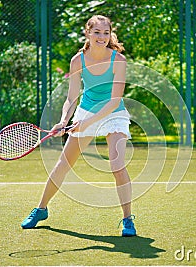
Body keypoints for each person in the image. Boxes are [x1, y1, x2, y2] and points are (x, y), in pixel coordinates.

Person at [21, 15, 136, 237]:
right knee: (62, 165)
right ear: (87, 33)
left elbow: (113, 101)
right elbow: (71, 97)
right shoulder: (78, 61)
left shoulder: (119, 60)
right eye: (97, 32)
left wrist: (86, 123)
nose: (102, 37)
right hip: (87, 110)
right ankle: (41, 209)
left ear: (110, 34)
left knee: (117, 165)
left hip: (114, 113)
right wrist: (65, 120)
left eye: (106, 32)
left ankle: (127, 219)